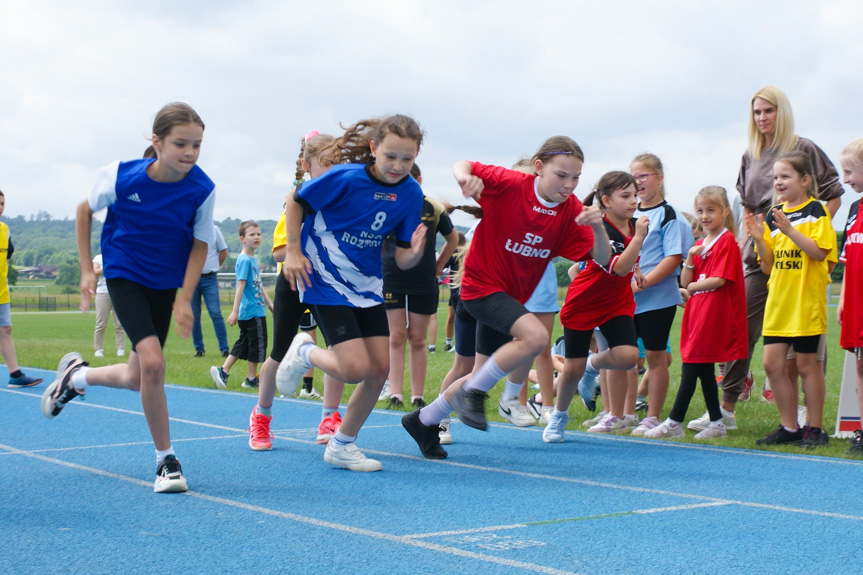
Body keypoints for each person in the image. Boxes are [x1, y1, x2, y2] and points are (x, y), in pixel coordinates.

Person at [42, 102, 216, 493]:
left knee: (139, 375)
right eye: (180, 143)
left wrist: (185, 298)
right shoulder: (120, 176)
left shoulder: (202, 188)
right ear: (156, 142)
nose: (189, 153)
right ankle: (166, 462)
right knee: (154, 364)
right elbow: (84, 211)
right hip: (124, 273)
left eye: (197, 145)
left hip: (164, 282)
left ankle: (76, 377)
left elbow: (200, 244)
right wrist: (88, 268)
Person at [401, 135, 610, 460]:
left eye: (576, 178)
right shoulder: (513, 185)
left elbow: (602, 257)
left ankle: (423, 419)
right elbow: (464, 163)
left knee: (478, 374)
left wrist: (598, 227)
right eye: (561, 175)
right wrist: (464, 178)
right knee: (536, 337)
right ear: (539, 168)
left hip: (510, 298)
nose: (569, 184)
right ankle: (502, 399)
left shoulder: (570, 212)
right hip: (480, 286)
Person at [277, 114, 427, 472]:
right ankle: (305, 351)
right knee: (356, 368)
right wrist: (294, 251)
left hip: (367, 286)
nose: (398, 165)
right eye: (391, 156)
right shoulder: (344, 178)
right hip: (325, 280)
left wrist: (416, 253)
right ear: (374, 149)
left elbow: (402, 258)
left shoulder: (410, 193)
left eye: (407, 159)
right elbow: (296, 200)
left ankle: (342, 444)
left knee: (380, 370)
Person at [725, 86, 843, 411]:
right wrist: (747, 239)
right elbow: (747, 207)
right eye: (757, 112)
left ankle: (808, 414)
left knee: (806, 344)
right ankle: (726, 407)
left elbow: (833, 195)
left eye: (768, 110)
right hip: (761, 256)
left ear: (782, 112)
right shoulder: (750, 155)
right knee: (741, 328)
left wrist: (808, 230)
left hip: (803, 260)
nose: (762, 117)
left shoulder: (803, 147)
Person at [247, 130, 344, 452]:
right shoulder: (296, 201)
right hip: (294, 285)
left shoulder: (342, 202)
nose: (333, 170)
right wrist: (296, 253)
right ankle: (261, 416)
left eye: (338, 163)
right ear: (307, 166)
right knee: (278, 352)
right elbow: (277, 253)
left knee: (337, 351)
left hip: (329, 286)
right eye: (326, 164)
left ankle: (329, 418)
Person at [544, 171, 647, 441]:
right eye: (626, 196)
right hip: (584, 303)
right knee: (571, 370)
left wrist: (638, 269)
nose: (634, 201)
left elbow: (629, 264)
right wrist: (638, 241)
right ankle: (559, 416)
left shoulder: (634, 225)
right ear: (606, 200)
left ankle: (592, 366)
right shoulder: (600, 229)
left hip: (617, 302)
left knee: (627, 357)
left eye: (635, 195)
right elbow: (617, 267)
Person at [744, 151, 837, 448]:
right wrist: (760, 237)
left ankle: (816, 428)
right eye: (775, 178)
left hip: (805, 301)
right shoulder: (773, 214)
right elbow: (768, 266)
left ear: (805, 180)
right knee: (773, 365)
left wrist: (790, 230)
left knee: (808, 365)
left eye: (785, 176)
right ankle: (789, 426)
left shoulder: (817, 210)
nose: (779, 182)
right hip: (780, 302)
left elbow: (819, 252)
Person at [644, 186, 747, 440]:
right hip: (698, 310)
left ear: (724, 212)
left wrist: (691, 286)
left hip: (713, 312)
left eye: (711, 210)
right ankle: (716, 423)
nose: (704, 216)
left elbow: (719, 279)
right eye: (700, 210)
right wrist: (690, 258)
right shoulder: (701, 244)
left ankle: (674, 421)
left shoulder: (726, 242)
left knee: (692, 366)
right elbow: (684, 279)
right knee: (701, 367)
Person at [627, 153, 694, 436]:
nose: (638, 182)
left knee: (655, 358)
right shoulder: (627, 213)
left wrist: (641, 284)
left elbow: (673, 258)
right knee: (627, 357)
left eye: (644, 176)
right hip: (626, 299)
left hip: (657, 300)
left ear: (659, 178)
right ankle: (624, 413)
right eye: (634, 177)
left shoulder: (670, 217)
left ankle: (652, 416)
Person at [382, 163, 458, 410]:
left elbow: (452, 238)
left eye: (409, 178)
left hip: (424, 281)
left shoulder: (432, 207)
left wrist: (438, 267)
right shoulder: (388, 202)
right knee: (396, 337)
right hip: (392, 278)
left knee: (417, 339)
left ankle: (417, 395)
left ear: (419, 179)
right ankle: (395, 394)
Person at [210, 220, 273, 390]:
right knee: (256, 344)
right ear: (242, 239)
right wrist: (234, 311)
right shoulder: (245, 260)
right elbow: (240, 285)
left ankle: (223, 370)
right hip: (252, 312)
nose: (256, 237)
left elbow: (258, 284)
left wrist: (269, 303)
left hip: (255, 310)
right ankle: (251, 379)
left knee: (244, 343)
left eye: (259, 234)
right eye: (252, 234)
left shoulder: (252, 259)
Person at [0, 190, 42, 388]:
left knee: (6, 329)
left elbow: (8, 255)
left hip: (1, 290)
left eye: (2, 204)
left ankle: (15, 375)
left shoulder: (5, 229)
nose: (1, 207)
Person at [838, 139, 863, 457]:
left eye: (849, 171)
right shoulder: (855, 208)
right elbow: (847, 258)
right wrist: (844, 297)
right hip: (856, 301)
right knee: (860, 364)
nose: (845, 179)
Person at [191, 224, 229, 358]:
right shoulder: (189, 229)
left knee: (215, 313)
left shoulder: (214, 229)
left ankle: (224, 349)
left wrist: (215, 266)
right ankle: (199, 349)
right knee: (194, 316)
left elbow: (223, 251)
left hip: (209, 278)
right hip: (192, 278)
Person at [91, 253, 127, 358]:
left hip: (118, 292)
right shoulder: (99, 257)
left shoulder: (120, 256)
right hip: (103, 292)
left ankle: (120, 349)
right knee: (101, 323)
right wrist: (108, 269)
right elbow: (95, 271)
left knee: (120, 324)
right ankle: (98, 349)